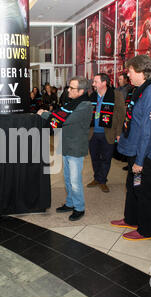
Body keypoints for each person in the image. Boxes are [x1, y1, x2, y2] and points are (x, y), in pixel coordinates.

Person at [110, 55, 151, 241]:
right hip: (135, 148)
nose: (128, 75)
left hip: (145, 153)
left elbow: (148, 130)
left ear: (142, 72)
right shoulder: (140, 89)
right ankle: (131, 219)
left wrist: (140, 161)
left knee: (143, 190)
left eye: (131, 71)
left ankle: (145, 229)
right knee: (132, 186)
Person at [37, 76, 93, 221]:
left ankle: (79, 207)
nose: (68, 90)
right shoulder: (72, 103)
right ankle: (70, 203)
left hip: (75, 147)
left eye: (72, 88)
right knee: (68, 178)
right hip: (67, 144)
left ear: (81, 91)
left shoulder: (84, 105)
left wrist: (44, 114)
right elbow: (59, 113)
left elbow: (64, 120)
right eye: (69, 87)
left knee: (75, 181)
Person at [87, 73, 125, 193]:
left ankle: (102, 180)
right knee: (94, 157)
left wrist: (119, 133)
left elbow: (121, 115)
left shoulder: (116, 95)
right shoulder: (92, 96)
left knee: (106, 158)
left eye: (96, 82)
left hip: (108, 133)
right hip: (93, 133)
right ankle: (97, 178)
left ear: (104, 83)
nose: (93, 84)